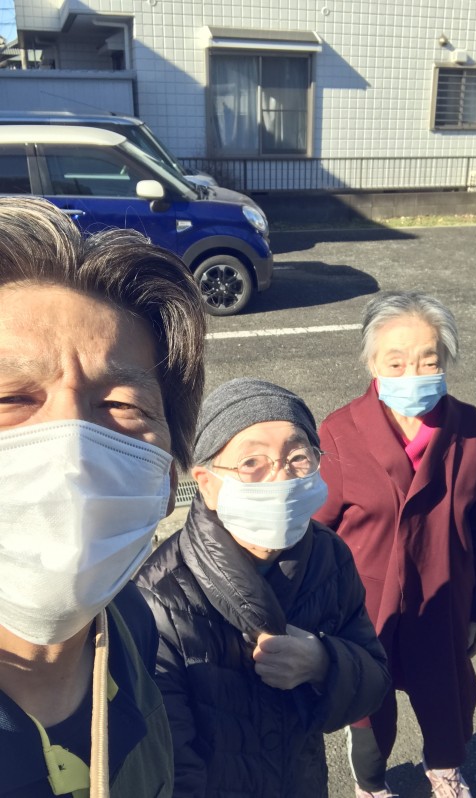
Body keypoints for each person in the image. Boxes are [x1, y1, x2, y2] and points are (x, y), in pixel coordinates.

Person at [0, 196, 206, 797]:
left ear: (168, 483)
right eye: (11, 397)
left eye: (122, 405)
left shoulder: (134, 629)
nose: (73, 452)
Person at [136, 378, 391, 798]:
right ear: (207, 483)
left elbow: (375, 682)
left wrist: (323, 662)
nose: (280, 477)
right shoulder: (158, 599)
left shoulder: (330, 557)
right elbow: (169, 766)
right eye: (251, 462)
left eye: (298, 456)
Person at [313, 291, 476, 798]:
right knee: (368, 716)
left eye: (428, 360)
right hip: (365, 610)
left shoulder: (470, 429)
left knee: (448, 704)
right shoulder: (339, 430)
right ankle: (371, 786)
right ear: (371, 362)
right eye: (395, 362)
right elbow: (316, 536)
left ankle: (443, 769)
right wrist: (320, 617)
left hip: (446, 602)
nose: (412, 374)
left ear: (445, 362)